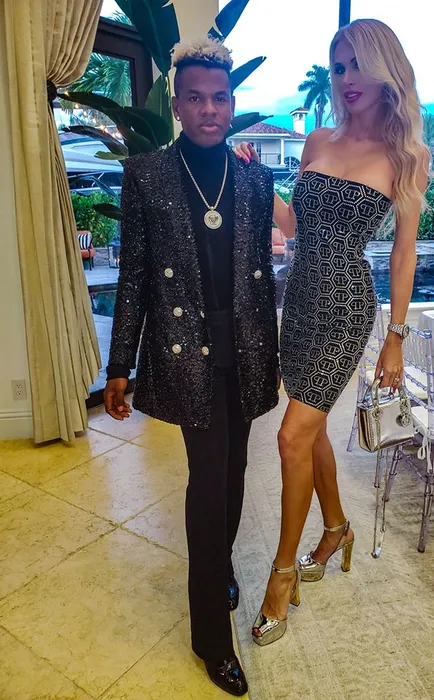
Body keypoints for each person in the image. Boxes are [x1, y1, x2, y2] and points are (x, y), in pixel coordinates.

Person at [235, 18, 430, 645]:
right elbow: (295, 226)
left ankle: (282, 574)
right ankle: (337, 527)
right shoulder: (318, 139)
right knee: (311, 428)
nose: (346, 77)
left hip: (346, 306)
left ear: (384, 70)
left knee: (291, 436)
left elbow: (404, 253)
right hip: (298, 299)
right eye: (338, 66)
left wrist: (395, 336)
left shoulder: (406, 157)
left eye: (356, 65)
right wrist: (259, 183)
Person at [104, 37, 279, 696]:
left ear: (232, 104)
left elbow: (261, 280)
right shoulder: (147, 175)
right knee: (207, 486)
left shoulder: (255, 179)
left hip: (246, 352)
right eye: (196, 98)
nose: (210, 109)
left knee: (233, 477)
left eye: (220, 98)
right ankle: (211, 637)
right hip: (186, 356)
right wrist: (120, 363)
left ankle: (221, 566)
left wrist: (275, 354)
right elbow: (134, 278)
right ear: (176, 105)